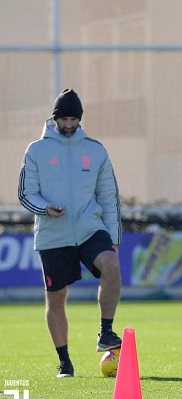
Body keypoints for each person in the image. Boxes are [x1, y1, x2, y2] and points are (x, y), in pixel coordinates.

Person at [18, 88, 124, 377]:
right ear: (55, 119)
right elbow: (26, 193)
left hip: (91, 228)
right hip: (53, 234)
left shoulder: (95, 150)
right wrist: (44, 208)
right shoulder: (36, 150)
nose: (68, 125)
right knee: (56, 298)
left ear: (80, 119)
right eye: (63, 119)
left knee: (111, 265)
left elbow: (109, 197)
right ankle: (64, 361)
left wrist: (113, 237)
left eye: (73, 119)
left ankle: (106, 332)